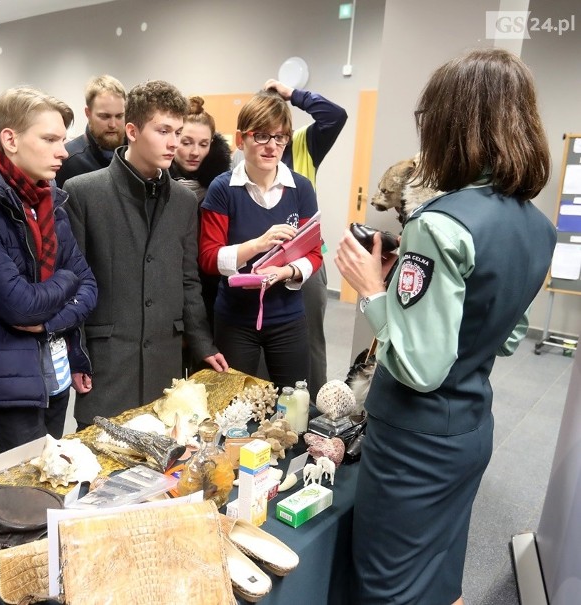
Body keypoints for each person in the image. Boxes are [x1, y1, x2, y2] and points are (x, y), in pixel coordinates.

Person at [335, 48, 556, 605]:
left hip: (414, 441)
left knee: (386, 587)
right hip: (471, 428)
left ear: (453, 125)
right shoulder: (537, 226)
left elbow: (418, 366)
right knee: (437, 576)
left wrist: (373, 292)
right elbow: (507, 333)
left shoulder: (441, 222)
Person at [64, 79, 227, 428]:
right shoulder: (83, 193)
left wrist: (202, 343)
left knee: (163, 467)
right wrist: (76, 355)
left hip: (164, 362)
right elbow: (74, 283)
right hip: (107, 362)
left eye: (178, 132)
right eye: (163, 130)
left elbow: (187, 278)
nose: (174, 143)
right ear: (132, 130)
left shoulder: (184, 200)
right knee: (101, 464)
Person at [0, 87, 97, 452]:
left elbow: (89, 285)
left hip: (56, 370)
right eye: (50, 139)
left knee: (54, 478)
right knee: (28, 493)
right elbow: (20, 306)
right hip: (9, 380)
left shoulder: (49, 201)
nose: (63, 151)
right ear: (10, 139)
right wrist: (66, 278)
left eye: (63, 139)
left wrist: (51, 323)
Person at [199, 91, 322, 389]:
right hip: (235, 318)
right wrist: (257, 245)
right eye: (262, 136)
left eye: (280, 138)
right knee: (233, 405)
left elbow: (314, 253)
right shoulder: (223, 189)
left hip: (289, 317)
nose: (272, 146)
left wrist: (287, 272)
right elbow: (208, 258)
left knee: (292, 401)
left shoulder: (301, 189)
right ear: (241, 139)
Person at [235, 80, 347, 401]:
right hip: (258, 264)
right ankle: (264, 409)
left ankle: (310, 406)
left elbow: (334, 116)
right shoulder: (243, 156)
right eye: (262, 131)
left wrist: (292, 95)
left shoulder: (301, 144)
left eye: (278, 132)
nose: (271, 140)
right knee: (260, 339)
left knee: (309, 340)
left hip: (303, 260)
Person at [169, 95, 232, 335]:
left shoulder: (221, 187)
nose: (195, 152)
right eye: (186, 142)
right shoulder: (156, 183)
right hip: (169, 289)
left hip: (210, 287)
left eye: (204, 144)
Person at [55, 74, 126, 188]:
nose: (113, 125)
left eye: (119, 116)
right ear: (88, 113)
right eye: (104, 116)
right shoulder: (68, 160)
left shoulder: (139, 154)